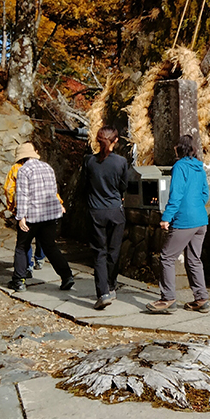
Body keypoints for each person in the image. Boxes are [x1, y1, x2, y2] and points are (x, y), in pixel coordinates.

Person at [146, 134, 210, 314]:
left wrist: (167, 217)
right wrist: (196, 205)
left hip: (185, 220)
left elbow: (176, 195)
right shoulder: (200, 167)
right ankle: (201, 297)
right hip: (201, 220)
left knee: (167, 257)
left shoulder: (180, 166)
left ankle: (167, 298)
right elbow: (206, 193)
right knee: (194, 259)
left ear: (178, 149)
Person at [7, 142, 76, 293]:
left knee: (22, 247)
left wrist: (21, 217)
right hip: (50, 215)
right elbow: (53, 191)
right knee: (50, 246)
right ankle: (67, 276)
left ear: (22, 158)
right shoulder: (47, 167)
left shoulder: (23, 171)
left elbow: (23, 196)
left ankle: (19, 281)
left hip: (32, 216)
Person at [82, 126, 132, 310]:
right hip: (115, 211)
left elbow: (84, 185)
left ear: (97, 140)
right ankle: (111, 286)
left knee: (99, 253)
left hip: (96, 211)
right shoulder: (120, 162)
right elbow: (123, 185)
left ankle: (103, 293)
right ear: (116, 141)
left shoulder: (89, 161)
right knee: (114, 250)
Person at [4, 156, 47, 271]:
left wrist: (13, 206)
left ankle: (28, 265)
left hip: (25, 208)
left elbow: (9, 189)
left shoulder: (16, 168)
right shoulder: (42, 167)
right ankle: (40, 258)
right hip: (42, 207)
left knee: (25, 238)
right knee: (41, 235)